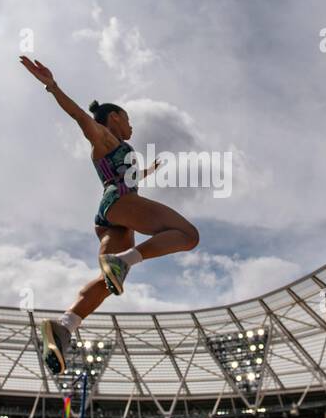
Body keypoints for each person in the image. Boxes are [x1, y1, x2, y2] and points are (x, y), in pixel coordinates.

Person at [20, 56, 200, 375]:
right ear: (114, 116)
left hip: (108, 215)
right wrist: (52, 86)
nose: (131, 127)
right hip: (121, 201)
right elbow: (78, 116)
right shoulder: (104, 136)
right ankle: (126, 260)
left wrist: (145, 171)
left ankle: (65, 325)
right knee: (188, 236)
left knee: (108, 282)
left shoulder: (116, 148)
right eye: (128, 119)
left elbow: (123, 175)